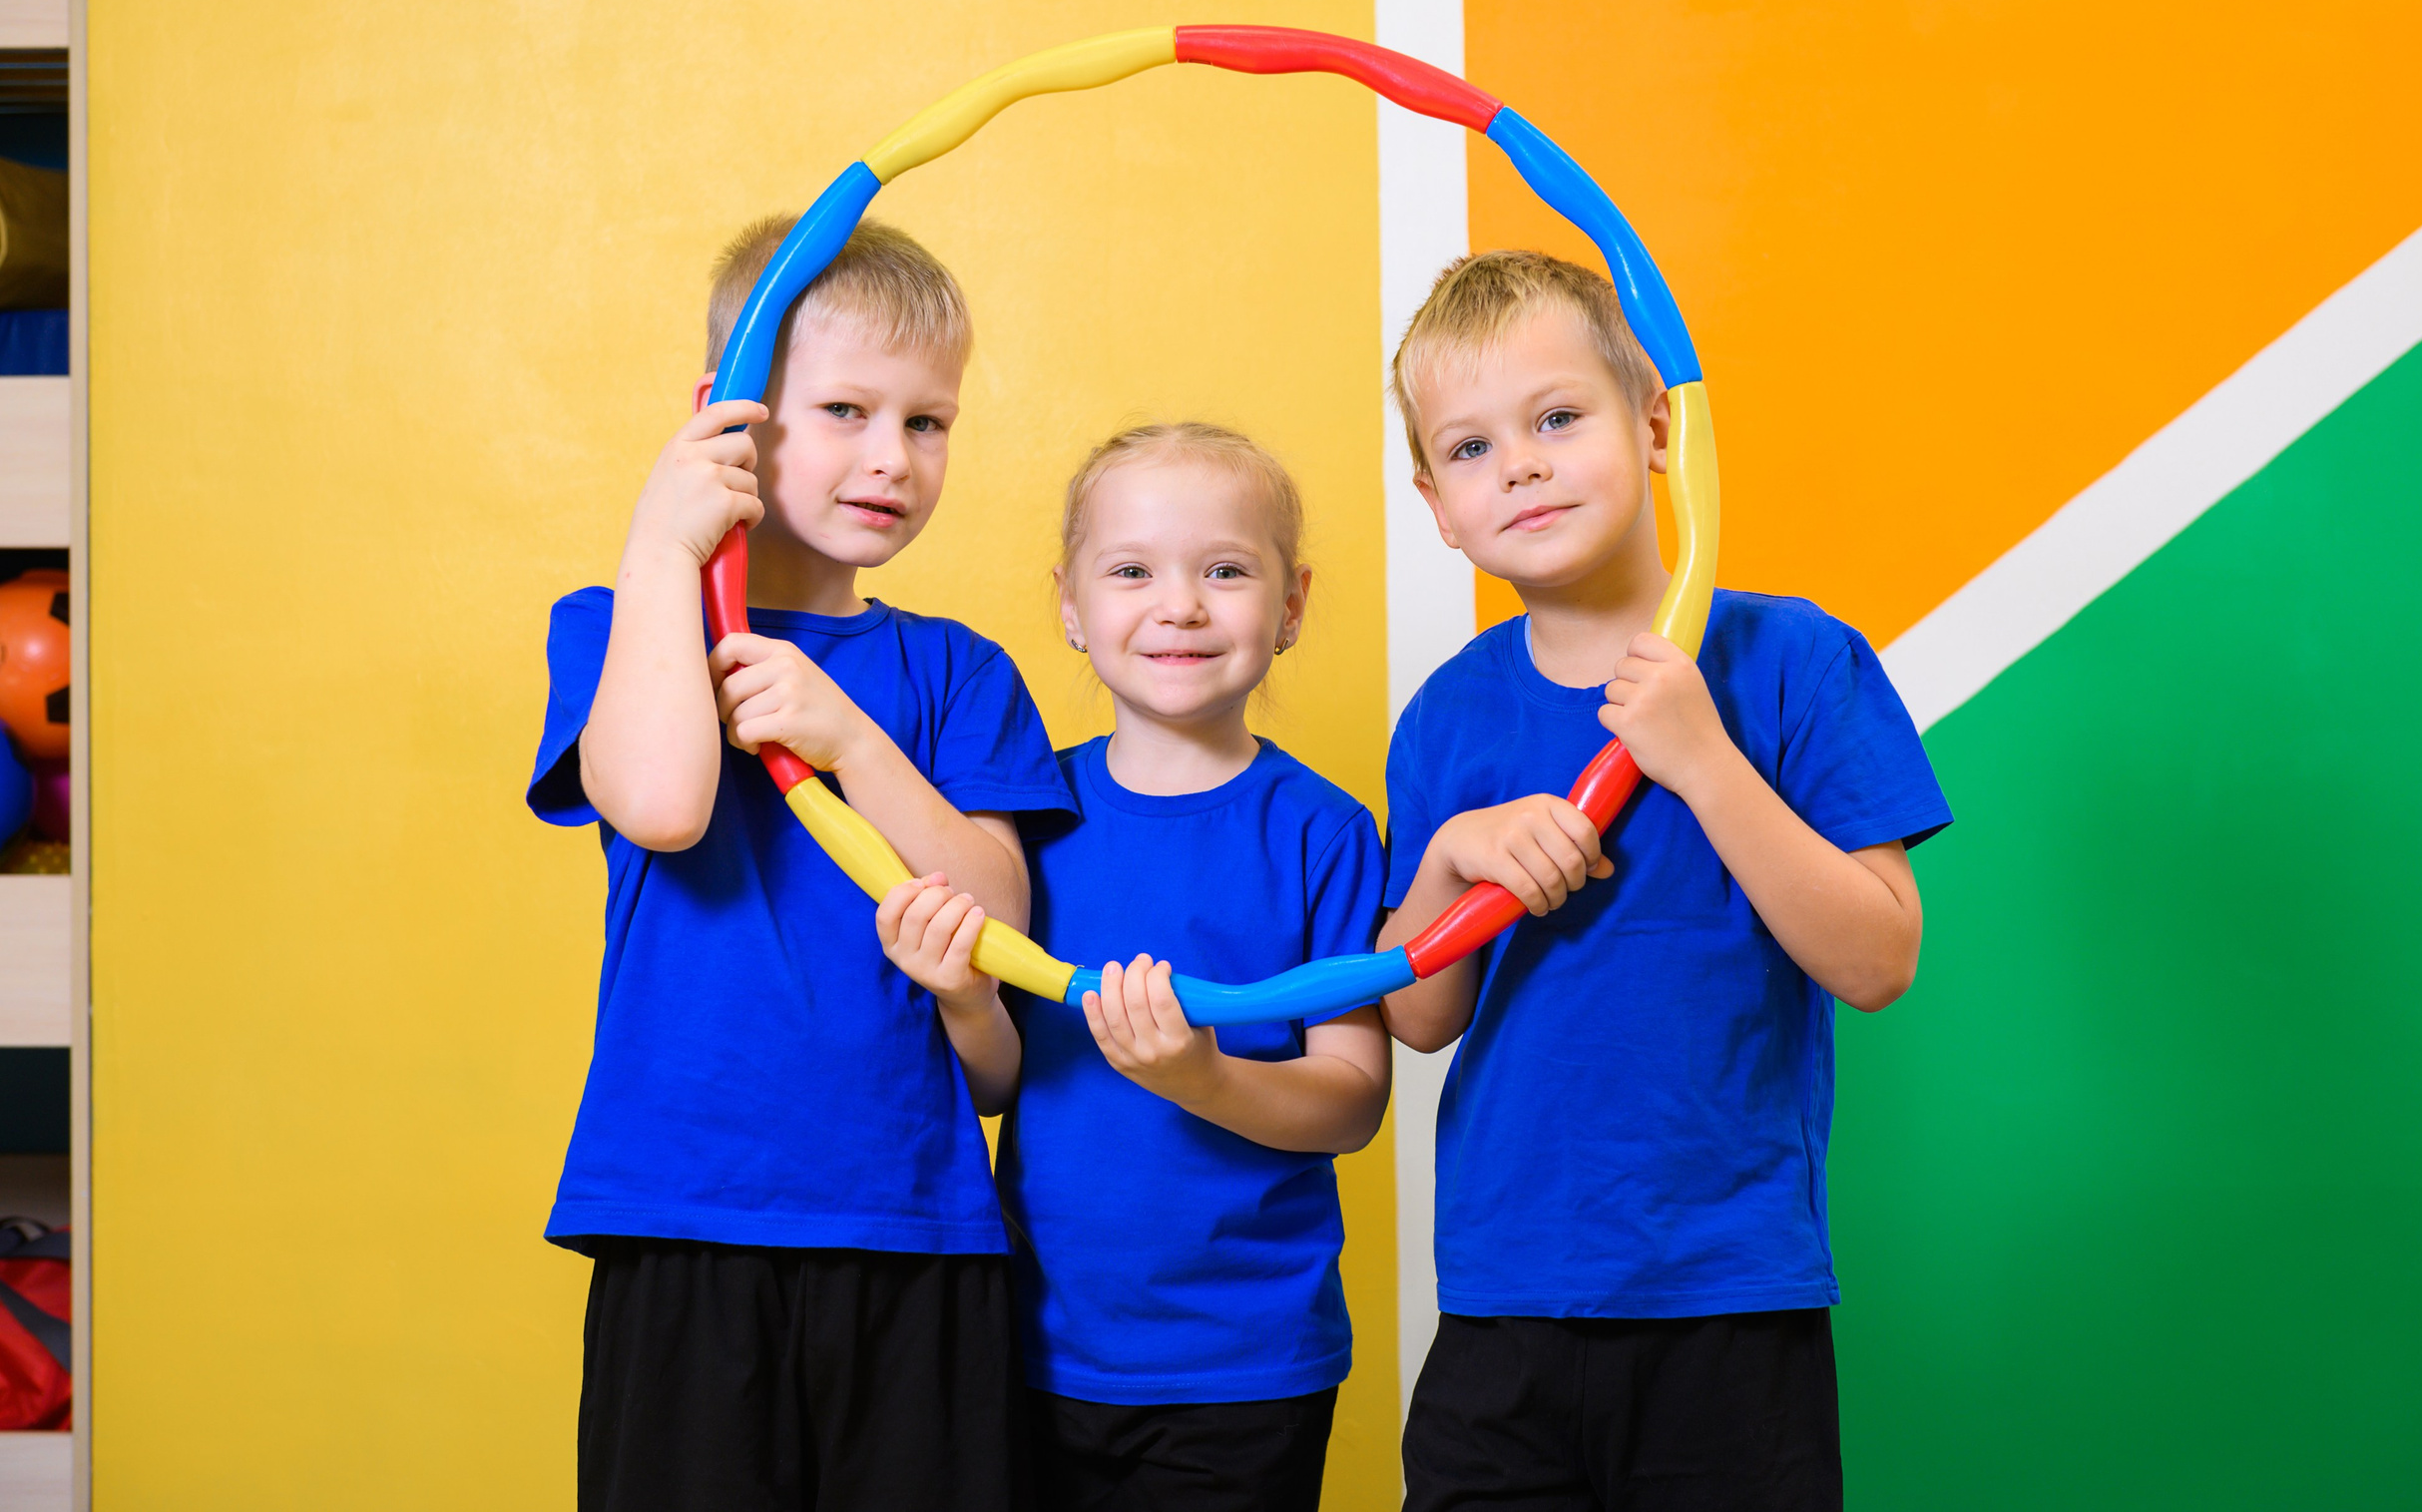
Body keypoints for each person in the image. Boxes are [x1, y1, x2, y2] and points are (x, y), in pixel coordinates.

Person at [1377, 252, 1953, 1512]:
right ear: (1434, 502)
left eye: (1556, 417)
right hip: (1503, 1297)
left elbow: (1877, 959)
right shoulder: (1446, 716)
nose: (1517, 464)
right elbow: (1419, 1015)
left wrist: (1701, 758)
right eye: (1468, 449)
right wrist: (1446, 856)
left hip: (1729, 1299)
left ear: (1652, 423)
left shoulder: (1792, 656)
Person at [526, 216, 1075, 1512]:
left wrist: (846, 735)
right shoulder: (618, 624)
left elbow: (999, 917)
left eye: (927, 421)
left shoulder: (956, 671)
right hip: (687, 1219)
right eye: (844, 408)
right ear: (727, 418)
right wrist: (665, 545)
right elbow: (661, 802)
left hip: (915, 1224)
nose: (892, 456)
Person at [877, 423, 1392, 1512]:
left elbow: (1352, 1099)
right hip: (1031, 1342)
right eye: (1131, 570)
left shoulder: (1325, 832)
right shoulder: (1021, 816)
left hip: (1245, 1361)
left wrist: (1205, 1079)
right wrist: (966, 997)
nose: (1180, 605)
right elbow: (993, 1085)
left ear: (1290, 603)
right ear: (1069, 602)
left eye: (1225, 569)